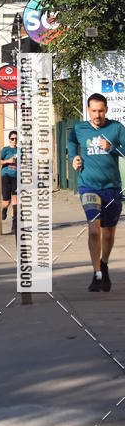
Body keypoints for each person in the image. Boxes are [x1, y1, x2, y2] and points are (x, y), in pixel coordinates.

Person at [68, 93, 125, 292]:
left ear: (106, 110)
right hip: (88, 186)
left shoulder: (116, 128)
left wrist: (112, 148)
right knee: (94, 230)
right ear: (88, 110)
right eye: (94, 111)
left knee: (108, 233)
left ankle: (104, 264)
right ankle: (97, 274)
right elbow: (71, 142)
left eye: (101, 110)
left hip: (112, 188)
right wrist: (73, 158)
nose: (97, 115)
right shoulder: (80, 129)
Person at [0, 130, 18, 233]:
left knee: (15, 203)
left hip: (16, 178)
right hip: (6, 176)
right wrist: (8, 161)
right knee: (7, 202)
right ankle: (4, 209)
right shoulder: (5, 150)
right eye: (12, 139)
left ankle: (14, 225)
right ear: (9, 139)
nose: (14, 141)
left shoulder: (20, 151)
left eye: (16, 139)